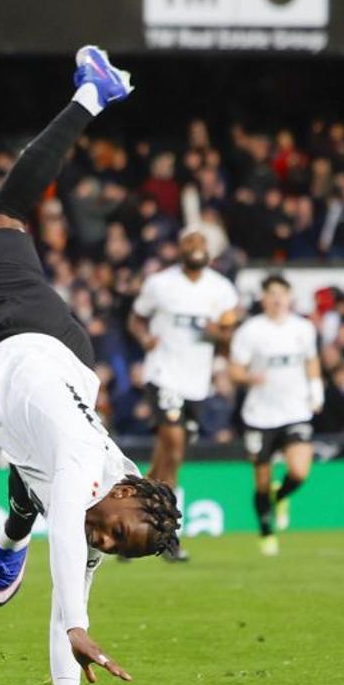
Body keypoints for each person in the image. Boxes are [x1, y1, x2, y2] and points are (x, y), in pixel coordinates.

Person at [0, 46, 181, 685]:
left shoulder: (105, 514)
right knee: (0, 219)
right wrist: (81, 623)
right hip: (29, 334)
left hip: (51, 380)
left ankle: (12, 530)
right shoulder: (88, 477)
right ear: (123, 492)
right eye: (117, 531)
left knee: (34, 478)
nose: (106, 542)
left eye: (116, 547)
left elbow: (70, 606)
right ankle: (93, 93)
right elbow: (73, 568)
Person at [127, 230, 239, 562]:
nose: (195, 250)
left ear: (208, 252)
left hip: (197, 383)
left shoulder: (221, 290)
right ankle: (167, 536)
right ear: (180, 250)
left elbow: (228, 335)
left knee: (164, 458)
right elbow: (135, 318)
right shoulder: (160, 284)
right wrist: (145, 338)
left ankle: (131, 523)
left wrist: (217, 333)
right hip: (164, 376)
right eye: (189, 244)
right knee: (174, 447)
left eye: (200, 245)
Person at [228, 274, 323, 557]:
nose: (278, 299)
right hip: (260, 415)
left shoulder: (303, 329)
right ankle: (266, 532)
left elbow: (311, 361)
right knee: (261, 479)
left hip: (296, 410)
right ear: (264, 298)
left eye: (283, 293)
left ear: (290, 297)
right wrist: (248, 377)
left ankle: (280, 497)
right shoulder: (250, 331)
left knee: (300, 471)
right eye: (272, 293)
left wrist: (316, 392)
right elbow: (234, 370)